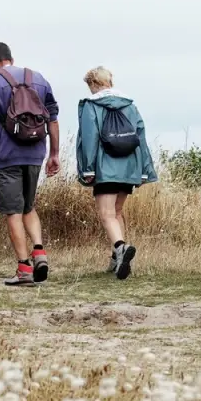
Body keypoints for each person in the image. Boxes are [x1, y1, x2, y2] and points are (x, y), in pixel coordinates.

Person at [0, 42, 60, 287]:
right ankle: (39, 252)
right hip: (35, 153)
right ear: (11, 57)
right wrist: (54, 153)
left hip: (7, 155)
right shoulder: (38, 78)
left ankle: (23, 268)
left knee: (13, 211)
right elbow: (52, 118)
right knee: (29, 206)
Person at [75, 66, 156, 280]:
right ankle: (116, 259)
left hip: (105, 167)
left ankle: (121, 247)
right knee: (117, 212)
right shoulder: (130, 105)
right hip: (129, 166)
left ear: (93, 84)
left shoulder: (92, 106)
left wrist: (88, 168)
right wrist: (144, 169)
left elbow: (90, 138)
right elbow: (141, 136)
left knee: (106, 214)